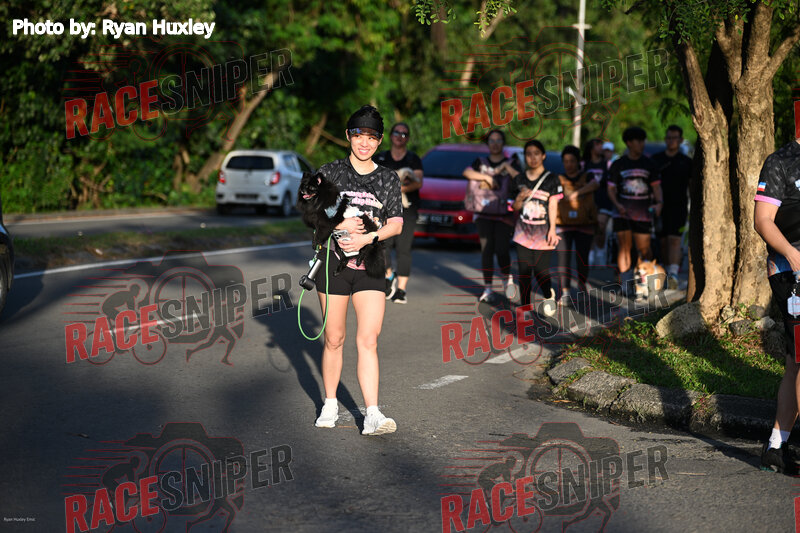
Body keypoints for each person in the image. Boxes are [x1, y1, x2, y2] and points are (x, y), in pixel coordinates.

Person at [313, 105, 403, 435]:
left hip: (371, 264)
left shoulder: (387, 178)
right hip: (332, 264)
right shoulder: (330, 172)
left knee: (368, 339)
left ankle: (372, 414)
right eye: (358, 135)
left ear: (379, 141)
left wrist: (369, 236)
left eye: (372, 137)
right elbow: (311, 211)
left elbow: (396, 223)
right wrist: (339, 223)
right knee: (334, 338)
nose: (364, 143)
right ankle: (330, 404)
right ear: (348, 136)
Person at [754, 136, 800, 473]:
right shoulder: (781, 161)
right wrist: (793, 256)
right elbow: (763, 220)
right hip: (791, 274)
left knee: (795, 362)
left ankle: (775, 446)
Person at [463, 129, 522, 303]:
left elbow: (521, 179)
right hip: (483, 212)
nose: (495, 144)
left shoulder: (512, 162)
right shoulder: (480, 162)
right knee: (486, 250)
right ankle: (488, 288)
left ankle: (506, 277)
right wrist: (487, 178)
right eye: (492, 140)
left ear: (503, 143)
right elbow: (466, 173)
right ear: (487, 143)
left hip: (504, 213)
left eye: (498, 140)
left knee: (502, 249)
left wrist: (506, 167)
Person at [607, 126, 663, 296]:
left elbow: (656, 187)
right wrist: (617, 205)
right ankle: (625, 284)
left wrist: (659, 203)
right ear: (629, 143)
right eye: (638, 141)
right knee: (624, 247)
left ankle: (648, 282)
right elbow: (611, 189)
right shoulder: (618, 164)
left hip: (643, 213)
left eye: (643, 141)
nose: (641, 144)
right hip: (622, 212)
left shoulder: (650, 164)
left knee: (644, 249)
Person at [510, 139, 562, 316]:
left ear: (543, 156)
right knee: (524, 271)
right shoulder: (519, 179)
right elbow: (514, 207)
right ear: (524, 157)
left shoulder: (552, 179)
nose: (532, 158)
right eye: (529, 154)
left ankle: (548, 294)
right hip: (522, 233)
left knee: (541, 271)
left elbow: (553, 205)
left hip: (543, 233)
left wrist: (553, 229)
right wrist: (519, 198)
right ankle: (525, 306)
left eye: (536, 154)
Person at [373, 122, 423, 304]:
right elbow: (371, 179)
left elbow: (418, 182)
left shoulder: (413, 159)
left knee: (404, 248)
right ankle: (388, 276)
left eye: (404, 134)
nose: (400, 136)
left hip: (406, 209)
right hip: (384, 208)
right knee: (382, 245)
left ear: (407, 138)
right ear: (390, 135)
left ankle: (401, 289)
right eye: (397, 132)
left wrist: (397, 189)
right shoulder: (381, 157)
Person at [555, 145, 598, 304]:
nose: (569, 164)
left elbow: (595, 185)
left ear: (578, 161)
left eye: (572, 161)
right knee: (563, 259)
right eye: (566, 161)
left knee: (582, 259)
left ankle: (581, 284)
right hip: (562, 224)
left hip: (584, 224)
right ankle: (565, 292)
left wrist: (575, 193)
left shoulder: (587, 176)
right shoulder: (558, 178)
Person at [652, 125, 692, 290]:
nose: (671, 141)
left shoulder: (686, 162)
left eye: (674, 138)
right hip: (660, 207)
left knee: (674, 240)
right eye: (668, 138)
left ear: (680, 140)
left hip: (679, 206)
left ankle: (673, 274)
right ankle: (666, 271)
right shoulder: (656, 160)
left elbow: (692, 185)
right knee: (662, 242)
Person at [584, 138, 612, 266]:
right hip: (589, 201)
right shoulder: (584, 164)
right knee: (590, 228)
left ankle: (600, 251)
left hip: (604, 200)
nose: (601, 148)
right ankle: (590, 253)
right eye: (598, 145)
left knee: (601, 226)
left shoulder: (607, 164)